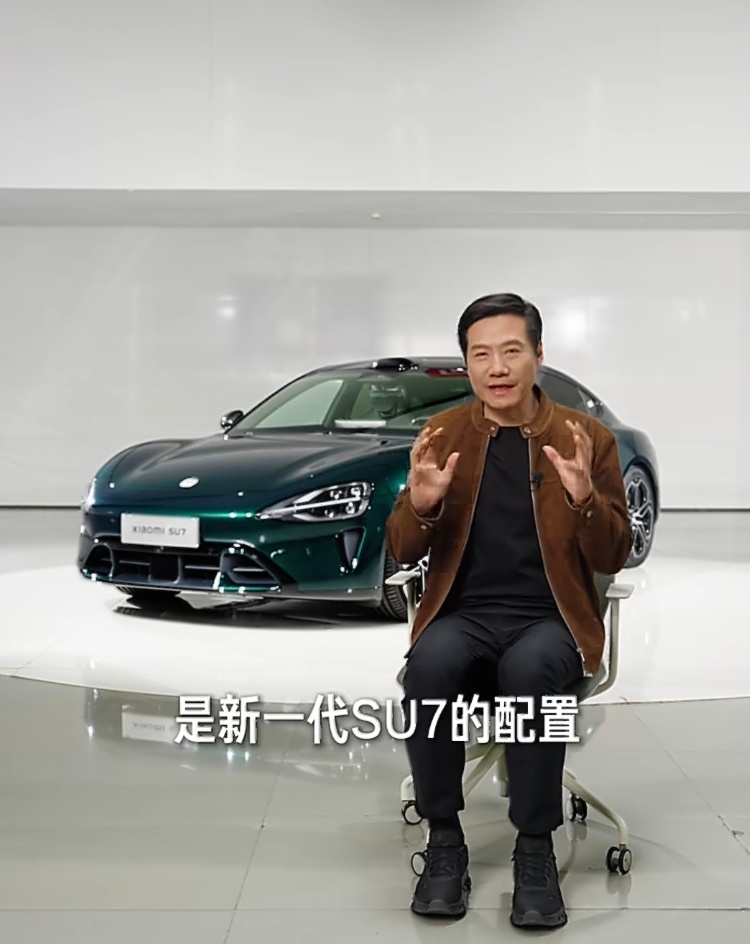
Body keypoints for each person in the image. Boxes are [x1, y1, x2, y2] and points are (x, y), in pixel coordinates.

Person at [385, 293, 632, 929]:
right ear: (467, 363)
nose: (496, 367)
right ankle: (444, 843)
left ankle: (534, 850)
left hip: (553, 619)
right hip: (462, 615)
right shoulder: (443, 436)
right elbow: (402, 550)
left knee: (531, 674)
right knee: (429, 669)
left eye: (511, 351)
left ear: (538, 355)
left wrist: (583, 499)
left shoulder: (587, 438)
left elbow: (616, 553)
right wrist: (421, 505)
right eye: (481, 354)